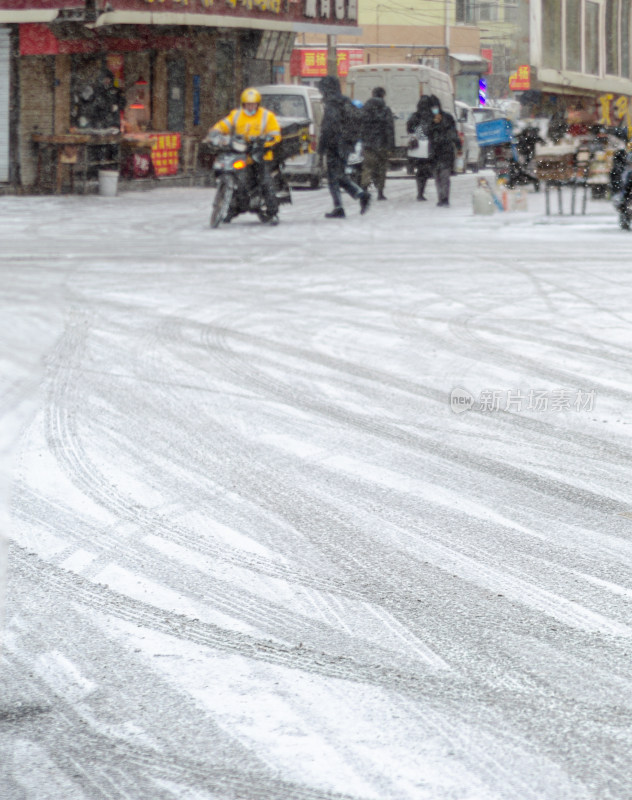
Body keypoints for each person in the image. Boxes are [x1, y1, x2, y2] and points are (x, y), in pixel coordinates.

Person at [209, 87, 282, 224]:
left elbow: (275, 135)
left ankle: (272, 212)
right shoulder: (236, 115)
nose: (250, 107)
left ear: (258, 104)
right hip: (240, 154)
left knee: (265, 181)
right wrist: (215, 131)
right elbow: (224, 124)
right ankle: (231, 209)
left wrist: (264, 141)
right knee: (237, 179)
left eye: (253, 104)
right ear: (243, 104)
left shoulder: (267, 116)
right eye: (248, 104)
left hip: (261, 156)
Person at [317, 75, 371, 219]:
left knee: (334, 177)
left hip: (335, 145)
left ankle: (346, 203)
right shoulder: (345, 101)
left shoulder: (331, 104)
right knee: (338, 176)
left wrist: (321, 148)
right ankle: (358, 195)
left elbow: (327, 128)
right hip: (346, 144)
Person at [359, 87, 395, 200]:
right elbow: (389, 129)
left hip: (368, 145)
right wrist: (391, 146)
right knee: (381, 168)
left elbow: (360, 126)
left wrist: (363, 140)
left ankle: (364, 190)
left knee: (367, 167)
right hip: (382, 145)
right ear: (383, 96)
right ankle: (380, 192)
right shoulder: (386, 110)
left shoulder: (365, 109)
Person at [426, 95, 461, 207]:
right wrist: (433, 124)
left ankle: (445, 198)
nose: (434, 109)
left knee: (444, 175)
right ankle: (441, 197)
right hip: (435, 151)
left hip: (445, 150)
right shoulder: (429, 119)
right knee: (437, 176)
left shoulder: (447, 118)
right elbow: (425, 133)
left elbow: (453, 133)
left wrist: (458, 146)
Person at [406, 95, 434, 201]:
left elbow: (409, 129)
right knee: (425, 170)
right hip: (428, 146)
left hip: (417, 146)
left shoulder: (415, 116)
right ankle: (421, 191)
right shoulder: (432, 116)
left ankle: (420, 191)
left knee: (420, 170)